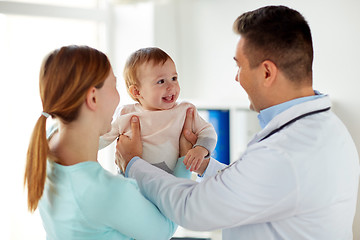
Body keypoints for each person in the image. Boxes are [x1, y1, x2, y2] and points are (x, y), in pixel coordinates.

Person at [116, 5, 360, 239]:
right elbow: (255, 186)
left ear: (267, 72)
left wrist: (133, 163)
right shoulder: (327, 128)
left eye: (239, 66)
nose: (236, 77)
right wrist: (202, 164)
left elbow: (194, 209)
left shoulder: (284, 151)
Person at [23, 45, 178, 240]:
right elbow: (163, 231)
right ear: (93, 98)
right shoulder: (107, 192)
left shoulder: (47, 140)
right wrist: (180, 157)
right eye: (114, 85)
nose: (119, 96)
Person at [99, 47, 217, 173]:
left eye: (174, 78)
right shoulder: (126, 113)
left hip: (172, 181)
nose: (171, 86)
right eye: (161, 81)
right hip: (131, 182)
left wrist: (201, 149)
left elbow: (208, 132)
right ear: (137, 91)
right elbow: (102, 139)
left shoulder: (185, 110)